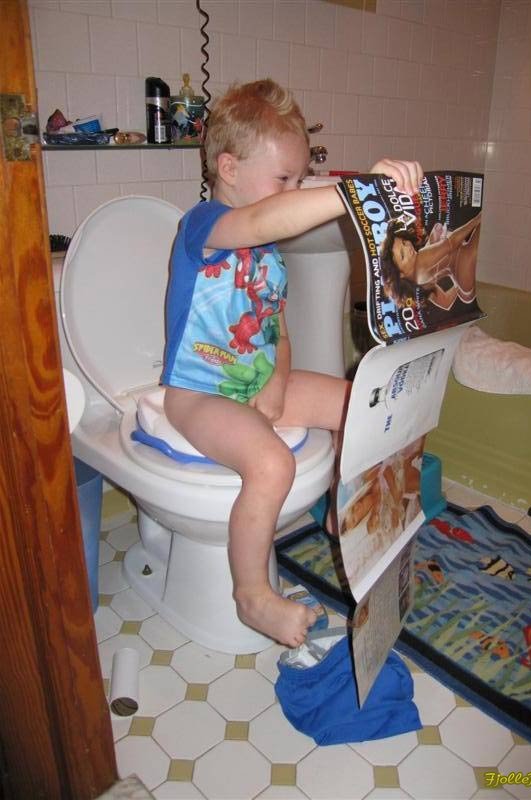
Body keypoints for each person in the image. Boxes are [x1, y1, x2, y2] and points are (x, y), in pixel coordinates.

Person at [161, 78, 423, 648]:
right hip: (199, 394)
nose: (294, 190)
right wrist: (356, 193)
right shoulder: (204, 226)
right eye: (285, 179)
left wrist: (279, 378)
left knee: (359, 405)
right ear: (228, 169)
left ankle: (342, 508)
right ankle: (252, 595)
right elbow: (264, 221)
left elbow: (277, 332)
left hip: (256, 382)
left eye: (300, 179)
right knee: (273, 464)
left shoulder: (268, 258)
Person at [380, 212, 482, 311]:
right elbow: (452, 242)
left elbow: (446, 302)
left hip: (465, 291)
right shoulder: (420, 261)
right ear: (400, 274)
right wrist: (477, 219)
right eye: (403, 255)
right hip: (464, 262)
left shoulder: (419, 284)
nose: (408, 247)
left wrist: (457, 284)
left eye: (403, 242)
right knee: (484, 220)